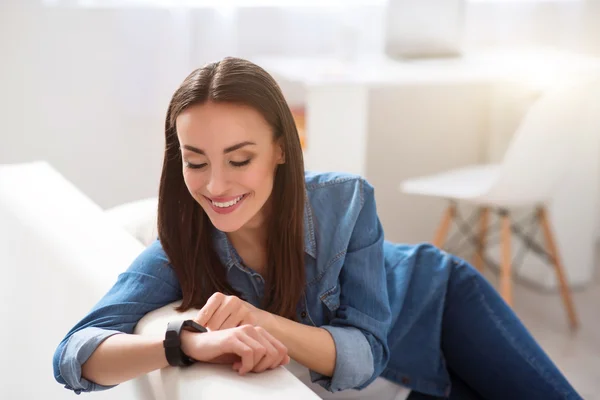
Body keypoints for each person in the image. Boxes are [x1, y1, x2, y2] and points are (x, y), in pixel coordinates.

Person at [53, 57, 581, 400]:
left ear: (282, 149)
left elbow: (365, 350)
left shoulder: (344, 201)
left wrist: (257, 319)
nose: (215, 185)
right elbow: (75, 356)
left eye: (239, 159)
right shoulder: (180, 246)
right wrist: (186, 344)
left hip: (438, 304)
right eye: (196, 161)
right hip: (397, 380)